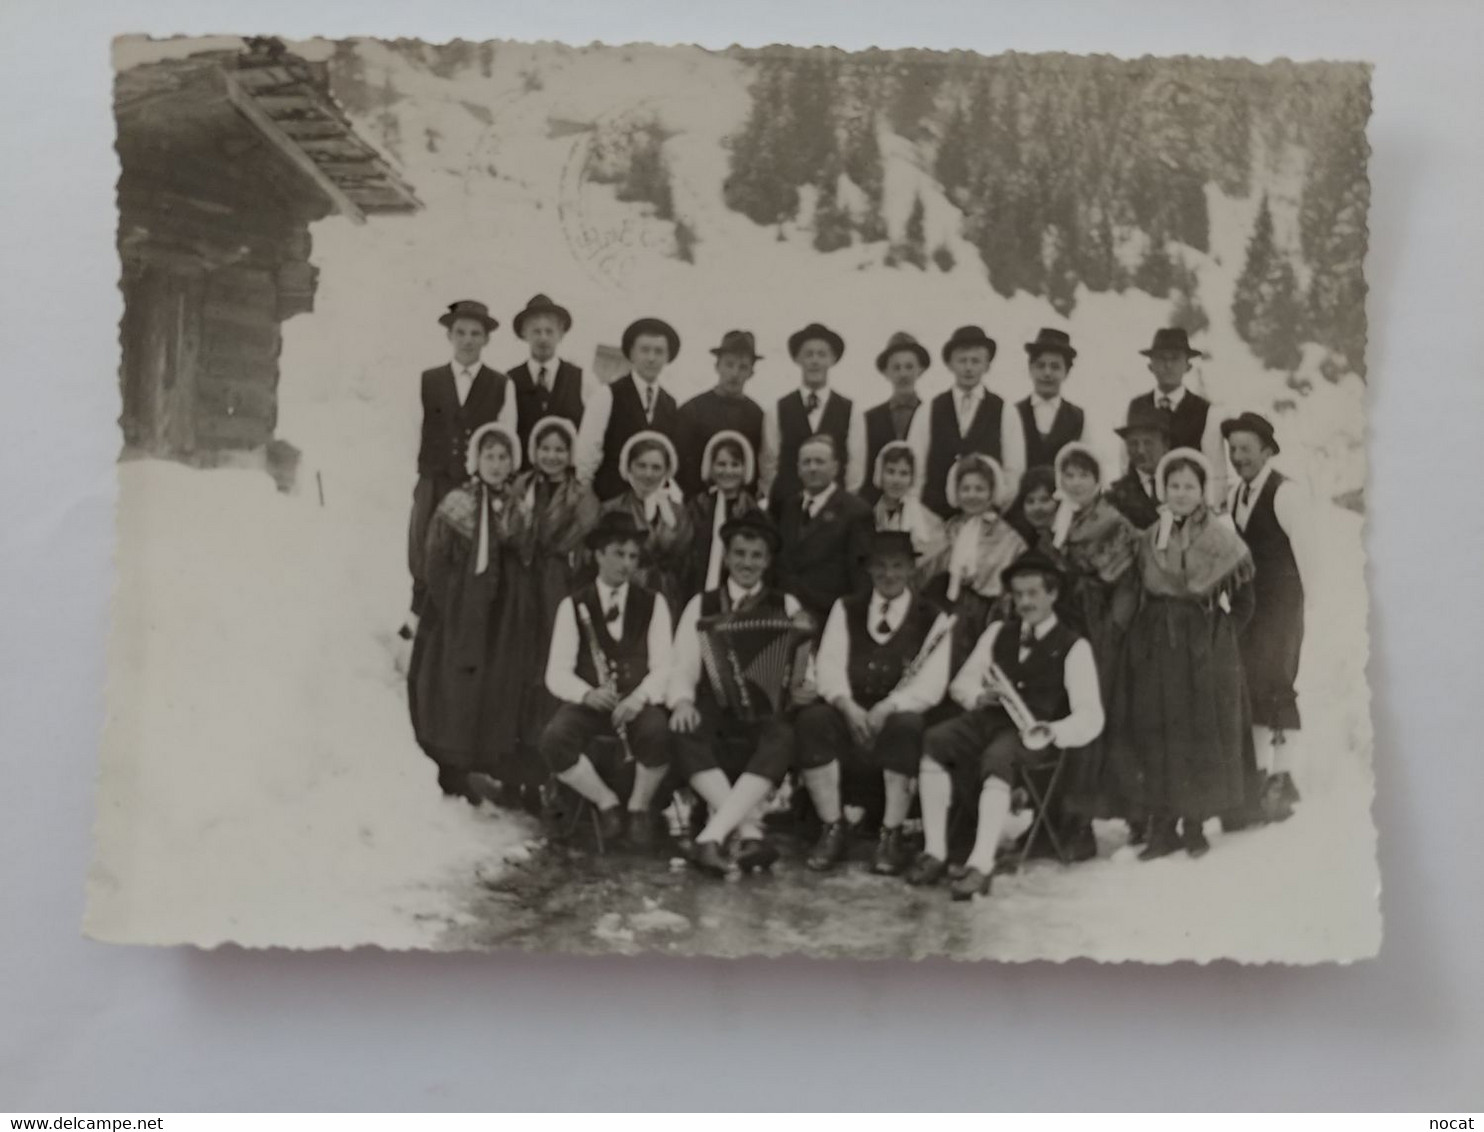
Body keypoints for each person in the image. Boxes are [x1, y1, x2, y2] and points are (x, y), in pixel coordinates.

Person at [910, 551, 1105, 899]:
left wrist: (1053, 731)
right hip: (987, 720)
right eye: (1018, 595)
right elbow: (961, 684)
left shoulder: (1075, 647)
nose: (1025, 602)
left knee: (999, 759)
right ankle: (935, 852)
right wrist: (976, 697)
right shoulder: (999, 631)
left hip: (1031, 735)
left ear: (1053, 594)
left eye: (1033, 593)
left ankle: (981, 865)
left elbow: (1091, 716)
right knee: (935, 740)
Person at [1110, 448, 1257, 860]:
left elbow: (1245, 596)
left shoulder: (1219, 536)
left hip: (1199, 643)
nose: (1180, 493)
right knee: (1156, 728)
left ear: (1202, 490)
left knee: (1197, 729)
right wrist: (1121, 633)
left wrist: (1222, 637)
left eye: (1189, 486)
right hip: (1155, 640)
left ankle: (1194, 823)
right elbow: (1134, 586)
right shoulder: (1149, 536)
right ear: (1163, 489)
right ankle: (1162, 825)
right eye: (1173, 485)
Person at [796, 531, 954, 874]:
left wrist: (889, 706)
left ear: (912, 568)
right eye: (880, 567)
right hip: (851, 708)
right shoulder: (847, 607)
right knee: (813, 720)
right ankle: (832, 826)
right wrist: (846, 706)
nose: (889, 575)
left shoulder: (933, 617)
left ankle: (891, 834)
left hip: (895, 713)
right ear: (868, 570)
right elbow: (830, 666)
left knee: (908, 725)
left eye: (898, 566)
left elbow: (932, 685)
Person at [668, 511, 812, 877]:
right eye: (740, 553)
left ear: (767, 561)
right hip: (715, 704)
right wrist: (682, 700)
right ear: (727, 557)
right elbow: (683, 664)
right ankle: (749, 831)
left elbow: (804, 663)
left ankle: (711, 836)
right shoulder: (701, 605)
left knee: (782, 735)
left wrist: (803, 686)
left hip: (765, 709)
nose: (747, 563)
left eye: (756, 555)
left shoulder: (787, 605)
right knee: (685, 729)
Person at [540, 510, 674, 848]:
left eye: (633, 556)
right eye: (618, 554)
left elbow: (664, 667)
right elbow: (556, 673)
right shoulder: (574, 606)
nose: (627, 564)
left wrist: (638, 699)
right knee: (555, 738)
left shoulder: (653, 603)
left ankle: (638, 809)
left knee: (659, 732)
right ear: (598, 555)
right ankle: (606, 802)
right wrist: (587, 694)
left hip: (635, 702)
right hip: (593, 702)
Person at [410, 422, 526, 803]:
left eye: (503, 457)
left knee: (492, 687)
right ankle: (452, 766)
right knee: (456, 685)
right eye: (489, 456)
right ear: (476, 460)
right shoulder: (457, 504)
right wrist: (453, 603)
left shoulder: (516, 507)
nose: (495, 464)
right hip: (459, 612)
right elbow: (436, 557)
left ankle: (484, 762)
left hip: (501, 613)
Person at [1045, 442, 1142, 858]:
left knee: (1097, 717)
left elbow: (1127, 584)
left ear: (1096, 479)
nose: (1076, 482)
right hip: (1064, 624)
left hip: (1098, 627)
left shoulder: (1112, 522)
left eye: (1083, 474)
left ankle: (1090, 822)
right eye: (1069, 475)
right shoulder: (1059, 520)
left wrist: (1112, 632)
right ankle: (1060, 817)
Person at [1223, 412, 1316, 823]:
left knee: (1278, 682)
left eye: (1246, 448)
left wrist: (1301, 610)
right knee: (1251, 682)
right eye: (1232, 449)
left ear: (1266, 451)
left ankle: (1285, 777)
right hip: (1251, 606)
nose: (1238, 456)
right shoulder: (1234, 495)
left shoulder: (1286, 494)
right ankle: (1259, 774)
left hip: (1281, 605)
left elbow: (1310, 558)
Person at [405, 299, 517, 634]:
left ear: (487, 339)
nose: (468, 340)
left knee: (471, 550)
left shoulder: (500, 384)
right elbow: (414, 430)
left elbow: (505, 434)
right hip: (435, 479)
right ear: (449, 337)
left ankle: (463, 622)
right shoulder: (428, 380)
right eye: (461, 333)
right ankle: (418, 617)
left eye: (476, 333)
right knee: (425, 546)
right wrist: (425, 472)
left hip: (476, 487)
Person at [507, 416, 601, 808]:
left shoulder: (581, 496)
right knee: (517, 677)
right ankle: (516, 773)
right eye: (545, 448)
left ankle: (550, 775)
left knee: (551, 674)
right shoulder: (521, 488)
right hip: (520, 590)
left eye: (560, 449)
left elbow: (582, 541)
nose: (552, 456)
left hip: (558, 588)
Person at [920, 454, 1028, 675]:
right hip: (945, 609)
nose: (972, 495)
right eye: (966, 489)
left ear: (992, 492)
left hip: (986, 615)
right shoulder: (946, 530)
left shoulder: (1007, 536)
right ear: (956, 492)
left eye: (980, 489)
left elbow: (1014, 577)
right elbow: (927, 570)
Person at [772, 433, 874, 626]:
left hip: (829, 618)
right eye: (806, 462)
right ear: (798, 469)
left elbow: (861, 579)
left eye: (820, 462)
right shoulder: (788, 506)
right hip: (784, 615)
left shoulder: (856, 511)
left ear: (835, 467)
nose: (813, 468)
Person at [759, 322, 865, 507]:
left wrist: (844, 503)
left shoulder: (851, 410)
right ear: (798, 359)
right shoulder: (777, 408)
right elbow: (769, 462)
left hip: (834, 509)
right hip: (787, 505)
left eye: (822, 354)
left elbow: (856, 465)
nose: (815, 361)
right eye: (808, 354)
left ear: (832, 359)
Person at [577, 317, 682, 502]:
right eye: (644, 350)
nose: (651, 358)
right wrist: (587, 497)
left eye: (658, 352)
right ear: (631, 353)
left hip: (651, 503)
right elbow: (586, 453)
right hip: (608, 499)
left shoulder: (670, 403)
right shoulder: (607, 395)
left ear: (667, 357)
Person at [599, 431, 694, 617]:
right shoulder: (611, 508)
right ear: (629, 468)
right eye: (641, 466)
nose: (648, 474)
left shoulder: (678, 512)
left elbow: (685, 558)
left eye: (656, 467)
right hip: (622, 592)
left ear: (667, 471)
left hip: (668, 596)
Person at [1129, 328, 1227, 508]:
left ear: (1187, 366)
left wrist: (1206, 513)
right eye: (1161, 358)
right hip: (1141, 510)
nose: (1168, 365)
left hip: (1187, 510)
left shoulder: (1207, 412)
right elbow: (1126, 463)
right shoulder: (1135, 407)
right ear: (1150, 366)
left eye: (1175, 358)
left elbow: (1215, 472)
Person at [675, 330, 765, 497]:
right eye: (729, 364)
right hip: (698, 504)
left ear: (751, 373)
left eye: (743, 367)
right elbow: (680, 464)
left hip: (741, 505)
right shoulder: (692, 410)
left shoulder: (757, 415)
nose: (735, 373)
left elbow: (758, 466)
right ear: (717, 366)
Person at [507, 293, 592, 455]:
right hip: (522, 477)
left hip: (567, 476)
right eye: (536, 331)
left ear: (561, 334)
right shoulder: (509, 380)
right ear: (524, 334)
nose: (543, 338)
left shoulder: (582, 378)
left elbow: (592, 432)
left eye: (549, 331)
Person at [683, 430, 762, 602]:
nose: (728, 471)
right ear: (710, 467)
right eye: (721, 464)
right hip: (695, 590)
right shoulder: (697, 506)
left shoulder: (753, 511)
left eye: (735, 464)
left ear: (745, 468)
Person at [856, 332, 931, 505]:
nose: (903, 374)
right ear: (885, 372)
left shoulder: (932, 415)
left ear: (920, 369)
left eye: (909, 366)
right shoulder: (869, 419)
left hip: (920, 506)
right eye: (896, 368)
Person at [1014, 329, 1087, 470]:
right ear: (1030, 369)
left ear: (1066, 372)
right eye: (1041, 366)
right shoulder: (1014, 413)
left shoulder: (1078, 417)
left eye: (1055, 367)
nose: (1047, 373)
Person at [870, 440, 945, 565]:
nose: (896, 480)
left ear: (912, 478)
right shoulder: (867, 515)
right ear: (880, 474)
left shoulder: (930, 521)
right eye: (890, 472)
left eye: (904, 474)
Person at [1106, 400, 1173, 530]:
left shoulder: (1183, 486)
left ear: (1165, 445)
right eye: (1133, 443)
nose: (1140, 450)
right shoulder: (1115, 496)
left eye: (1148, 443)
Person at [1005, 465, 1059, 550]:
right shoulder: (1019, 542)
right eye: (1030, 501)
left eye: (1045, 500)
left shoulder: (1072, 540)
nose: (1036, 507)